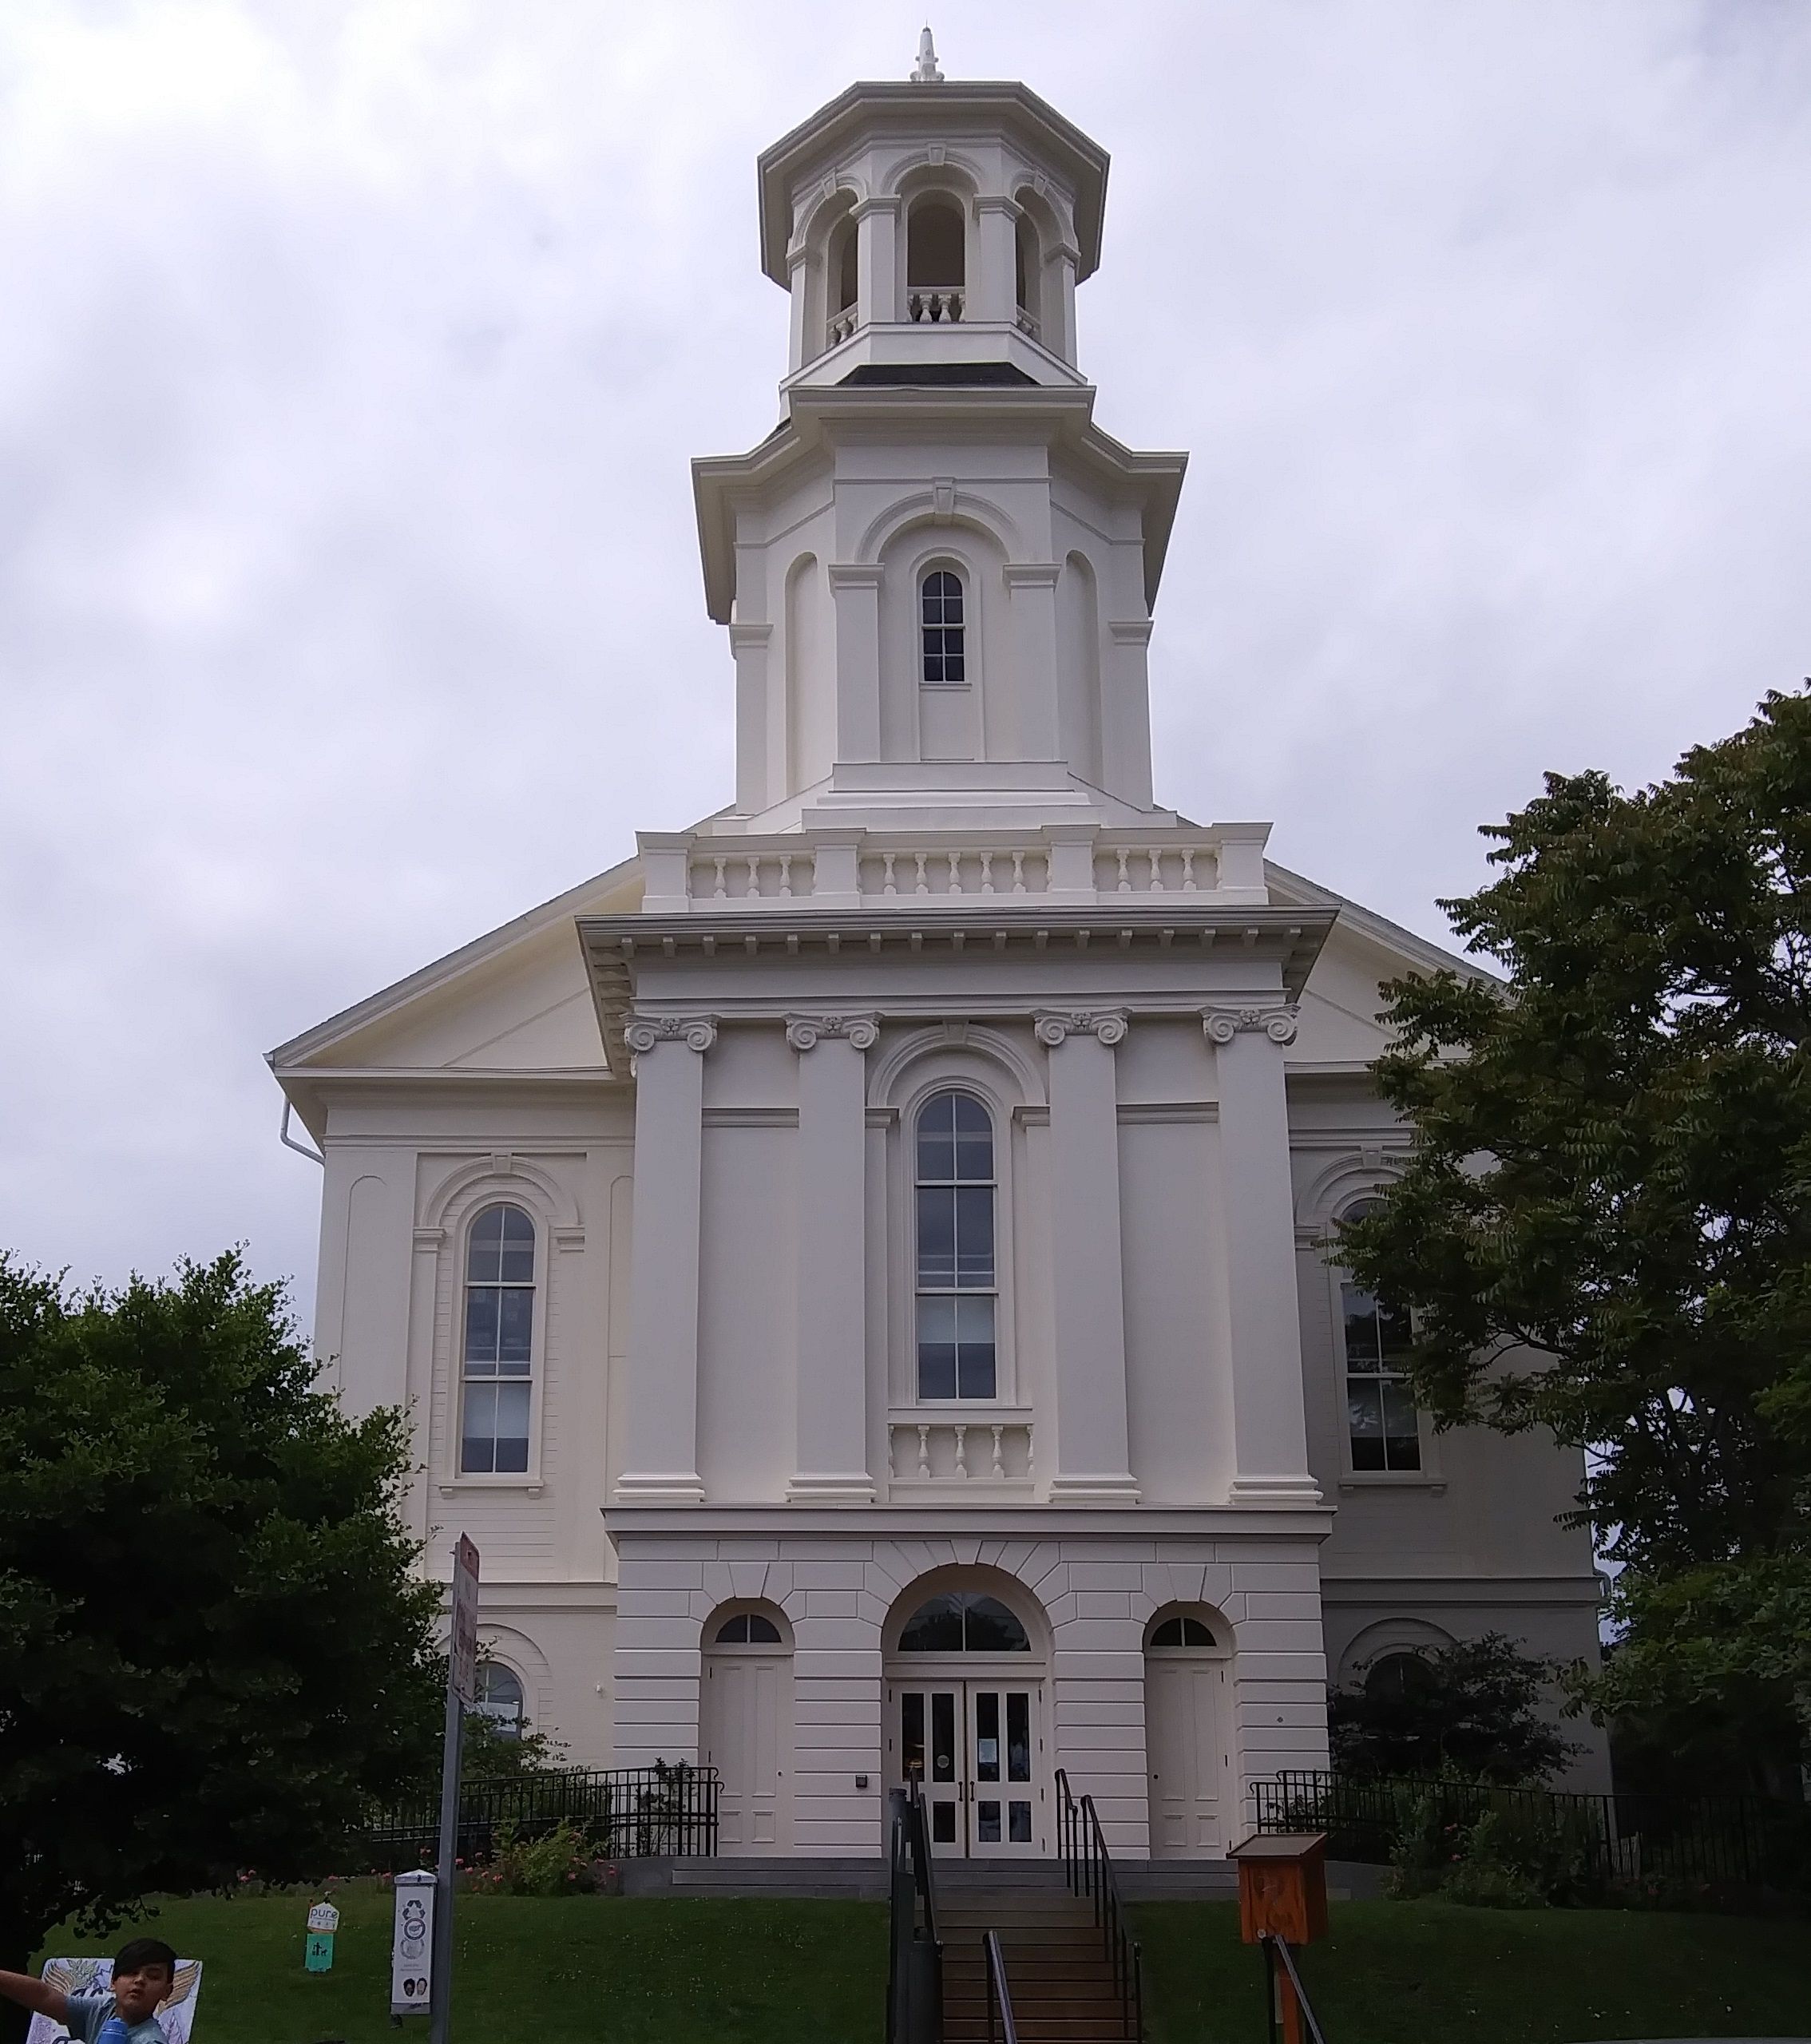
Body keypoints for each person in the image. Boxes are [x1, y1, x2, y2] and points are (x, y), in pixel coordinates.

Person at [0, 1937, 177, 2042]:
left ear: (166, 1991)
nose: (139, 1980)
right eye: (131, 1972)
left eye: (153, 1976)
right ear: (113, 1982)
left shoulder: (150, 2040)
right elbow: (44, 1996)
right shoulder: (103, 2010)